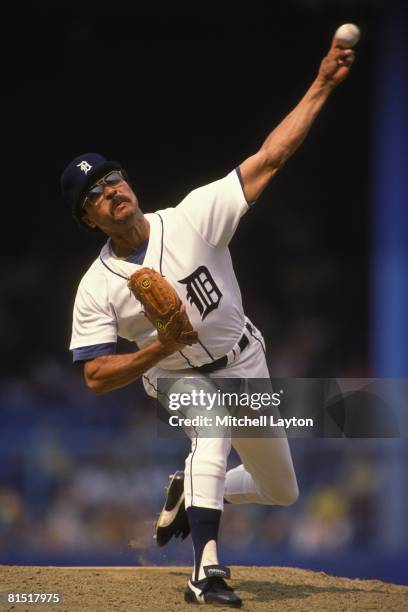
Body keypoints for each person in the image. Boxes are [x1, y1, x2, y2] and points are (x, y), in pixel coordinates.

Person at [61, 36, 355, 607]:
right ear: (87, 217)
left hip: (243, 360)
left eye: (113, 177)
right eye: (94, 192)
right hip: (175, 377)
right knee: (211, 429)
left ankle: (187, 488)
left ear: (130, 181)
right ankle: (207, 571)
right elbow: (95, 376)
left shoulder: (193, 216)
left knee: (282, 490)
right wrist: (158, 348)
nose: (111, 190)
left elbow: (270, 157)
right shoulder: (95, 288)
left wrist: (322, 83)